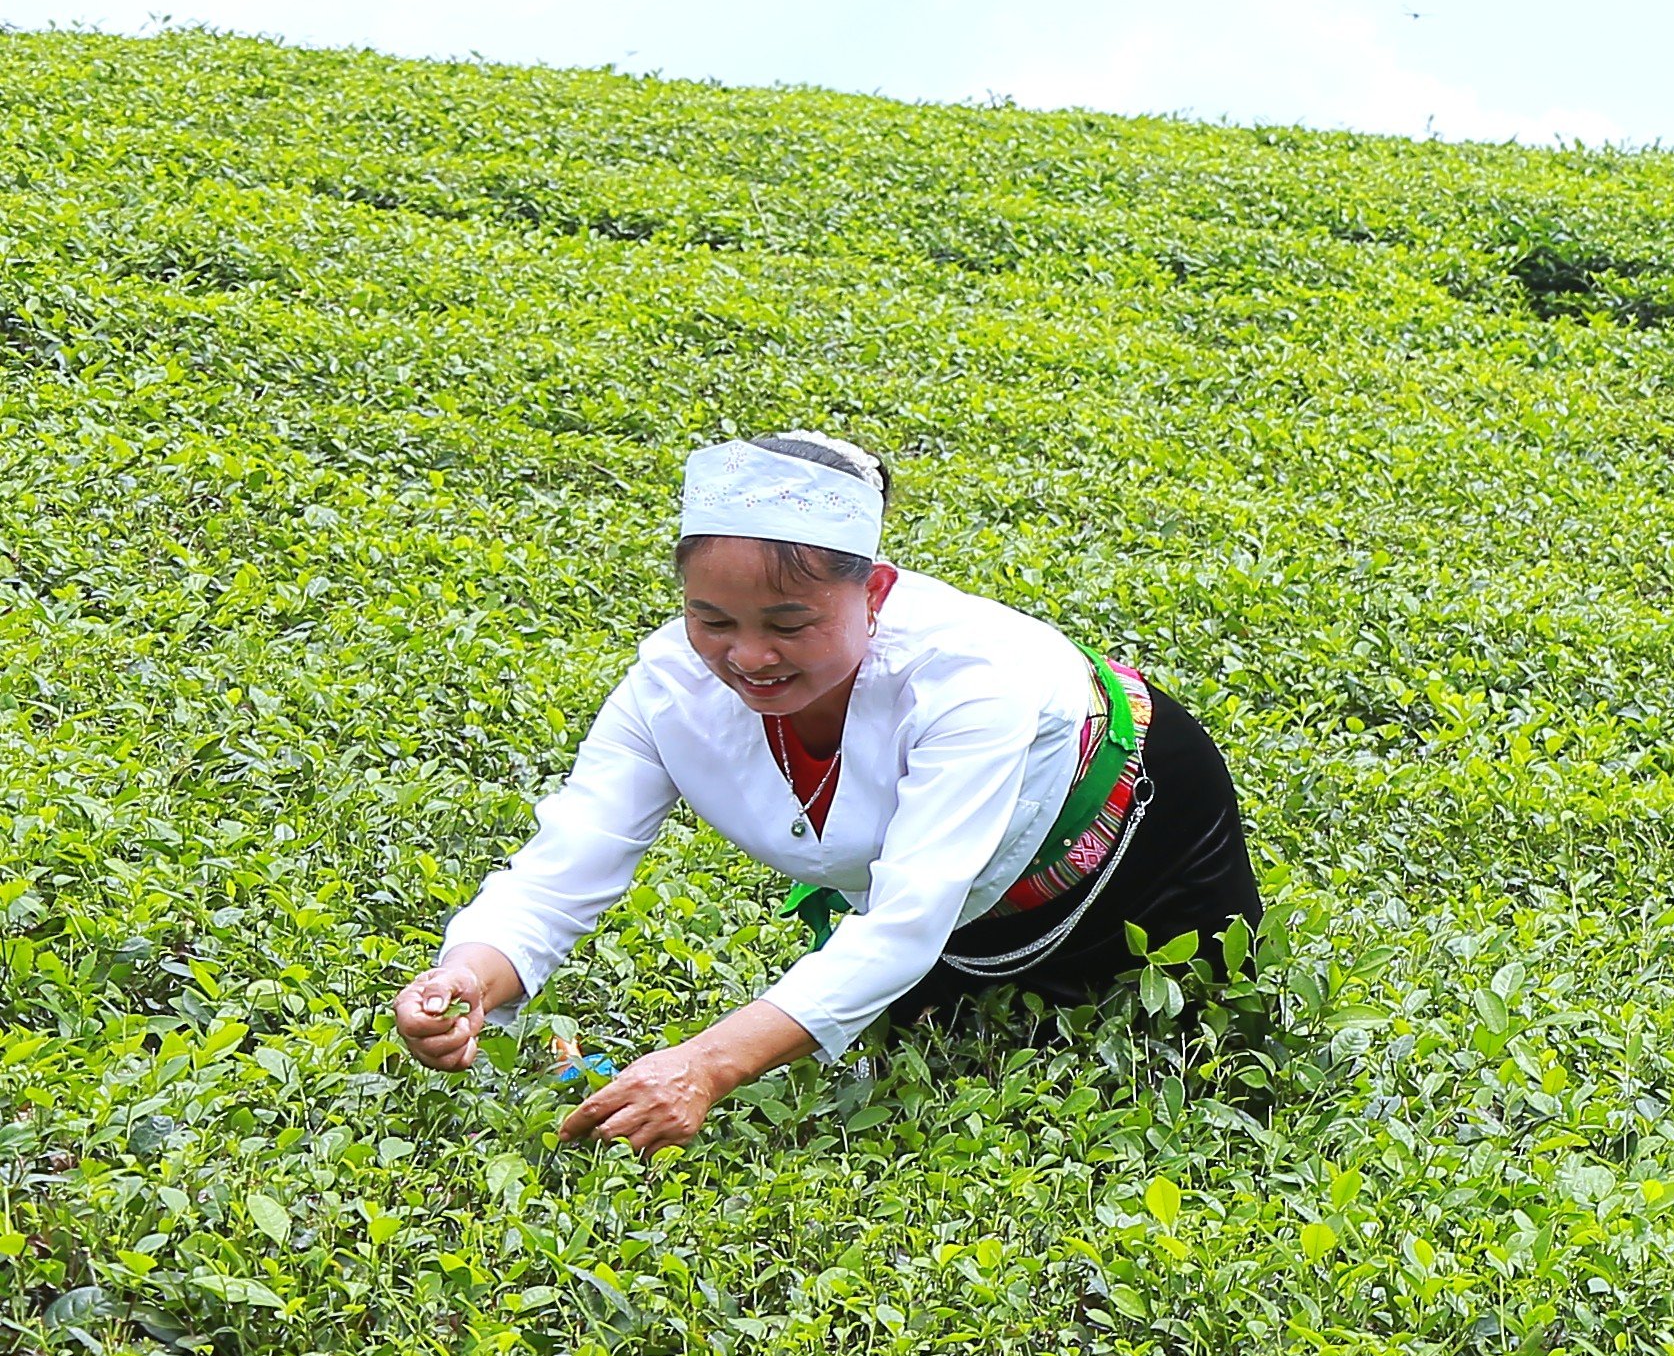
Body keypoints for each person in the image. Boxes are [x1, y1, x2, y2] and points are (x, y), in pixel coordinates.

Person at [393, 431, 1264, 1148]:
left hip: (1136, 833)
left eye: (790, 623)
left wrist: (708, 1063)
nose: (748, 658)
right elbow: (562, 869)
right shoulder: (666, 688)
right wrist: (466, 976)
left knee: (1184, 1046)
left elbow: (902, 919)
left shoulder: (969, 676)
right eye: (712, 620)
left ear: (876, 591)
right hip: (960, 900)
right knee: (922, 1063)